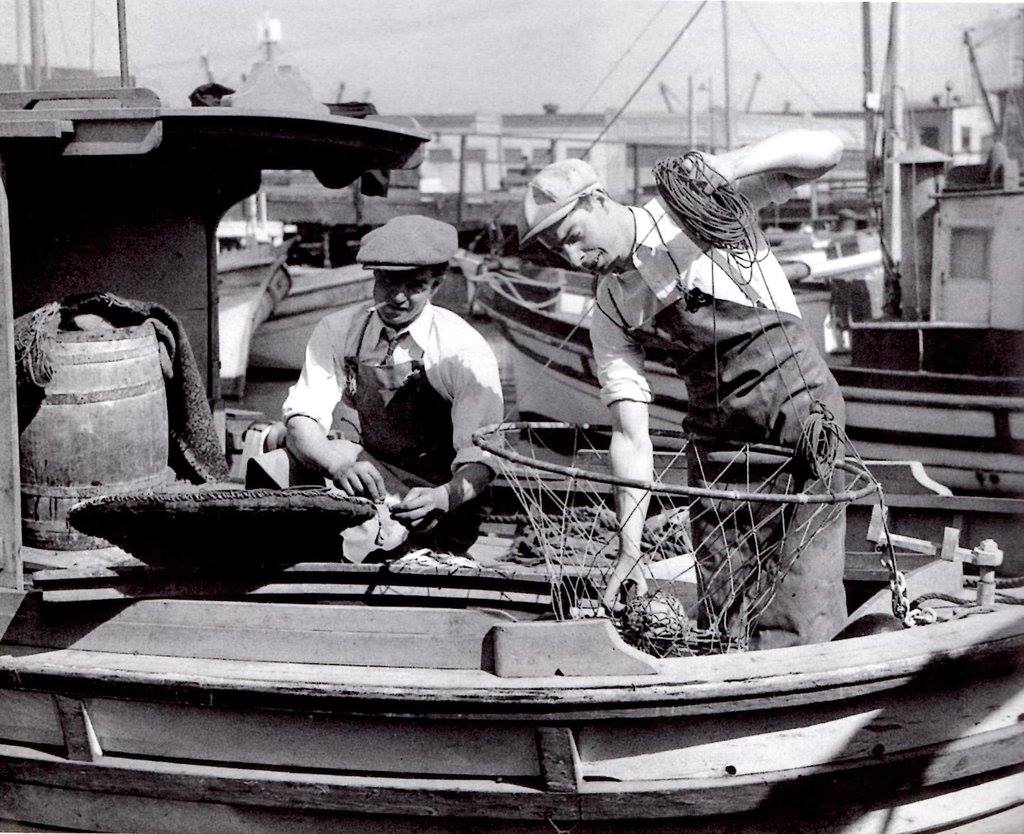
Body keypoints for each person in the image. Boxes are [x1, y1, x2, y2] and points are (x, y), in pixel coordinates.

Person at [518, 130, 848, 649]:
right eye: (560, 252)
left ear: (598, 200)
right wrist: (630, 548)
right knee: (724, 607)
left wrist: (732, 165)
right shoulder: (611, 308)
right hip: (717, 448)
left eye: (575, 235)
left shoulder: (693, 209)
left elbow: (827, 150)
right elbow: (630, 436)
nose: (576, 258)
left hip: (799, 423)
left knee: (801, 605)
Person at [266, 214, 503, 558]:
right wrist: (339, 467)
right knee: (284, 444)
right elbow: (302, 418)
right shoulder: (337, 331)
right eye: (390, 282)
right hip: (371, 481)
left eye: (416, 285)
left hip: (442, 505)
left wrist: (442, 498)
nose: (400, 298)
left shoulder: (462, 348)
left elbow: (482, 457)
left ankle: (410, 545)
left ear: (436, 285)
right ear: (374, 276)